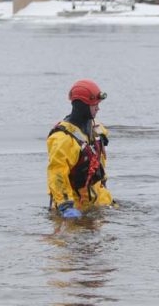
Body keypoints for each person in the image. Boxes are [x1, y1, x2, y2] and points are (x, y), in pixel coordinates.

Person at [46, 79, 115, 218]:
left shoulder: (96, 130)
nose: (98, 108)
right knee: (72, 237)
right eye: (94, 104)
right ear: (82, 105)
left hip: (98, 201)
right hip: (73, 208)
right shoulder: (63, 139)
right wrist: (65, 206)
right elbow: (57, 173)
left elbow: (99, 164)